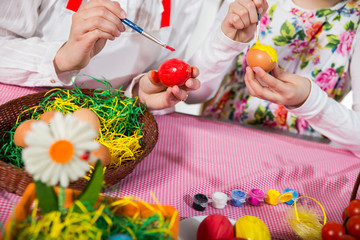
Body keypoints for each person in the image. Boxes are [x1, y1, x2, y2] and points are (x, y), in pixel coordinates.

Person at [187, 0, 360, 156]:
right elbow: (192, 94)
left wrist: (309, 101)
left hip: (296, 165)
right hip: (217, 148)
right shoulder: (249, 3)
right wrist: (225, 43)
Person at [0, 0, 204, 111]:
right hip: (25, 113)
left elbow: (161, 66)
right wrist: (61, 58)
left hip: (111, 125)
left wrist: (138, 92)